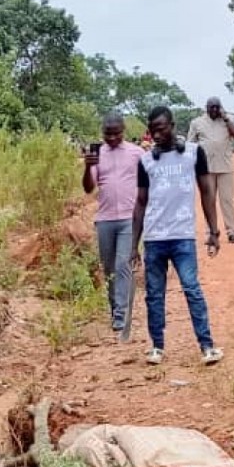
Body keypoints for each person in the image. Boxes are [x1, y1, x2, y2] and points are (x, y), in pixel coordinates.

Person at [132, 105, 223, 367]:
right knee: (154, 294)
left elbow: (207, 192)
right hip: (153, 238)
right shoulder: (146, 160)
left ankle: (207, 346)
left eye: (161, 128)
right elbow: (140, 202)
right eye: (152, 130)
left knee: (192, 289)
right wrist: (133, 245)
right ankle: (157, 347)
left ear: (172, 126)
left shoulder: (194, 153)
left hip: (183, 236)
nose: (156, 134)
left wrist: (213, 231)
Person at [82, 113, 139, 338]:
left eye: (117, 133)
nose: (113, 138)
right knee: (109, 269)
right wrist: (87, 167)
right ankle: (115, 308)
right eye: (108, 134)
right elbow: (88, 188)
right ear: (102, 132)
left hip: (128, 218)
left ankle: (121, 315)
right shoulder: (97, 154)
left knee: (123, 264)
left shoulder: (136, 153)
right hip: (105, 219)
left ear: (123, 131)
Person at [186, 97, 234, 242]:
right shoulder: (197, 123)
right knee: (209, 200)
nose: (214, 110)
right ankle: (211, 232)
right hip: (206, 169)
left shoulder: (229, 119)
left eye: (216, 107)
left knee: (227, 200)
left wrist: (226, 119)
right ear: (206, 108)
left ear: (221, 107)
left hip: (225, 166)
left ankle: (232, 231)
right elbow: (190, 144)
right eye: (211, 107)